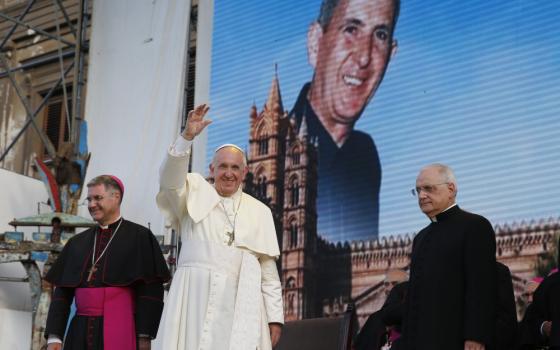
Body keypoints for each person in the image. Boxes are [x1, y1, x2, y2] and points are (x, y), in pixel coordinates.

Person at [154, 104, 284, 349]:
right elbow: (168, 180)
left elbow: (268, 273)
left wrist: (275, 318)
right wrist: (187, 137)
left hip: (241, 302)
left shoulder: (260, 211)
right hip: (193, 297)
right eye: (222, 166)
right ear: (212, 169)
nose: (228, 173)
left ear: (244, 172)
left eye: (235, 167)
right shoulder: (191, 191)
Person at [288, 0, 399, 241]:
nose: (364, 58)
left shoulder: (365, 155)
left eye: (380, 35)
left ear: (391, 54)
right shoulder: (277, 152)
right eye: (351, 29)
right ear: (316, 43)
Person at [44, 175, 170, 350]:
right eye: (89, 199)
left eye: (98, 198)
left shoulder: (140, 237)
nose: (91, 204)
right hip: (79, 331)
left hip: (121, 326)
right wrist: (54, 337)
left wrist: (144, 336)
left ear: (116, 197)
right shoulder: (77, 242)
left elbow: (150, 292)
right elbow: (62, 294)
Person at [401, 164, 496, 350]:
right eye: (418, 190)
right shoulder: (420, 237)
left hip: (454, 339)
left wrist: (475, 336)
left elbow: (481, 286)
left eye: (428, 188)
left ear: (451, 189)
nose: (421, 196)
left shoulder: (475, 226)